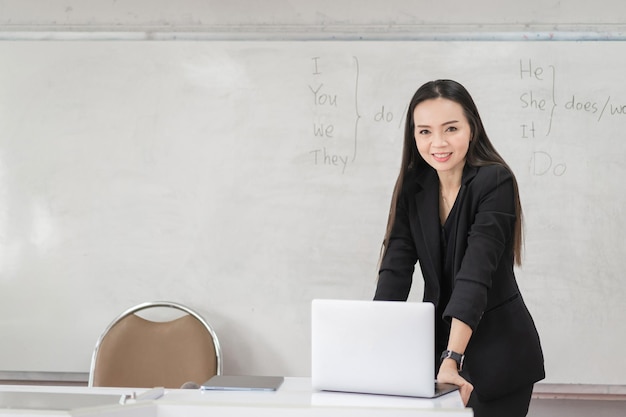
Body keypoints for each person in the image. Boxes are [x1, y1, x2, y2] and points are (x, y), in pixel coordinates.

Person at [374, 79, 545, 417]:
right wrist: (373, 339)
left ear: (472, 129)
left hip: (496, 356)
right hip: (438, 355)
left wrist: (453, 358)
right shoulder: (414, 187)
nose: (438, 142)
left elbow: (474, 276)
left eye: (450, 128)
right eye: (424, 131)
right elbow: (395, 271)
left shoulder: (495, 182)